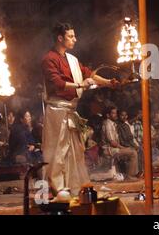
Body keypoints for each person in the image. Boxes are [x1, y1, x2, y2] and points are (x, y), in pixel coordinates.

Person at [41, 22, 119, 195]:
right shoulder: (49, 58)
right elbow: (57, 84)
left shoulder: (72, 60)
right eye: (70, 36)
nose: (74, 39)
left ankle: (74, 185)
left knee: (75, 149)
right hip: (57, 110)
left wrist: (108, 83)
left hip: (70, 109)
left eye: (74, 36)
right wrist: (80, 85)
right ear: (60, 38)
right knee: (58, 150)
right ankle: (57, 187)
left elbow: (89, 74)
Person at [101, 107, 138, 180]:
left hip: (114, 148)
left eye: (115, 113)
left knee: (133, 150)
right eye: (113, 113)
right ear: (108, 115)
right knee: (133, 153)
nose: (116, 115)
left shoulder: (113, 124)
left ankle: (130, 174)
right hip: (109, 150)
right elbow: (112, 142)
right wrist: (123, 148)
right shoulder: (107, 124)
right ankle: (130, 176)